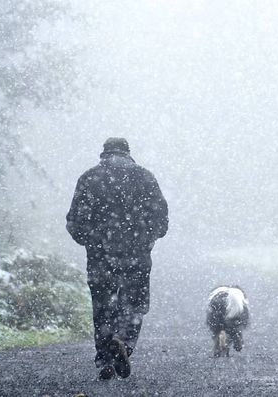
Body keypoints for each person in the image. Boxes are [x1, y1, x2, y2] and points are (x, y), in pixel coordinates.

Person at [66, 137, 168, 381]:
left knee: (102, 306)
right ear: (128, 153)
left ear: (104, 153)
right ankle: (123, 340)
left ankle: (104, 355)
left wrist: (93, 241)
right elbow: (161, 220)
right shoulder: (145, 178)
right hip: (137, 256)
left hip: (101, 257)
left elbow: (74, 222)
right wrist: (146, 238)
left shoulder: (89, 178)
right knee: (134, 305)